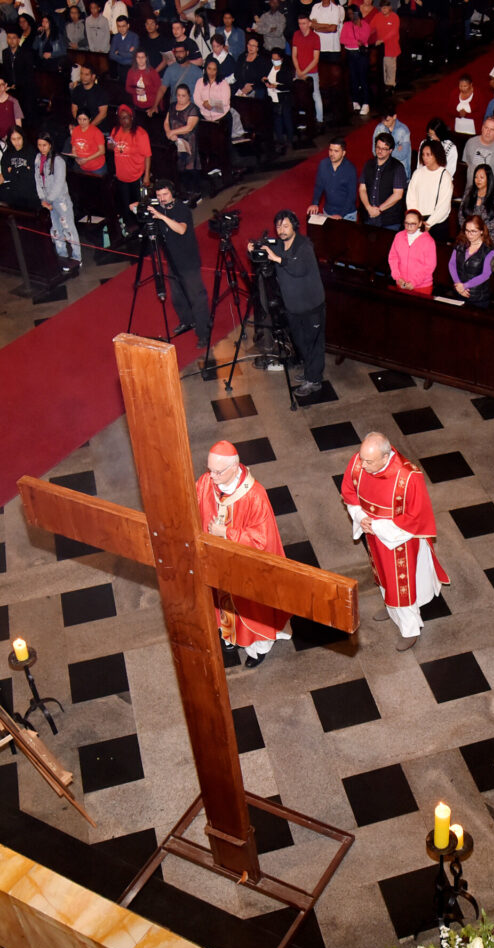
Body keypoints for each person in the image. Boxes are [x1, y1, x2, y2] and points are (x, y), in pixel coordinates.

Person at [341, 431, 449, 652]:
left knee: (401, 586)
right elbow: (349, 492)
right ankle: (391, 609)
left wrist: (377, 526)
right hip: (374, 537)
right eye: (361, 458)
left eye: (369, 461)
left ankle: (410, 631)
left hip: (399, 542)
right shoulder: (359, 461)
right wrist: (361, 517)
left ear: (385, 456)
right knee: (382, 576)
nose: (362, 465)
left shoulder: (408, 477)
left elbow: (415, 518)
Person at [196, 440, 290, 668]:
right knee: (220, 600)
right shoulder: (206, 483)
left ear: (234, 467)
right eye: (210, 470)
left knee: (251, 608)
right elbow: (193, 505)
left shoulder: (255, 495)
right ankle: (228, 635)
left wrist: (226, 532)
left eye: (218, 472)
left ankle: (258, 649)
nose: (212, 476)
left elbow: (262, 540)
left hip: (246, 568)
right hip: (218, 562)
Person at [249, 209, 326, 398]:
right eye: (278, 226)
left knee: (313, 343)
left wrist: (276, 258)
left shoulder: (304, 246)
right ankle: (310, 371)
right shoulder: (278, 245)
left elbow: (298, 268)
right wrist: (254, 250)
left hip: (311, 307)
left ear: (294, 227)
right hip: (293, 307)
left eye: (285, 226)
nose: (281, 230)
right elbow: (262, 258)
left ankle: (314, 380)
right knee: (300, 342)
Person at [140, 179, 211, 347]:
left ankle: (203, 333)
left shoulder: (181, 209)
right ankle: (187, 321)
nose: (162, 198)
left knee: (197, 297)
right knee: (177, 296)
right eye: (159, 195)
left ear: (172, 194)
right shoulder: (159, 207)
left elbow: (181, 229)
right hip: (172, 260)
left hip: (188, 260)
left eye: (165, 194)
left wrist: (162, 217)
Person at [34, 131, 82, 273]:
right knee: (55, 229)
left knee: (68, 228)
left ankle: (76, 257)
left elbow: (59, 183)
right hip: (47, 201)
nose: (42, 148)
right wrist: (42, 198)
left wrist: (48, 199)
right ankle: (62, 255)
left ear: (50, 145)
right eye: (39, 145)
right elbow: (37, 179)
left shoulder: (58, 161)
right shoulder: (38, 158)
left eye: (44, 145)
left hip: (60, 200)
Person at [109, 103, 151, 232]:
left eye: (126, 117)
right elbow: (110, 145)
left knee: (137, 206)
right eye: (121, 118)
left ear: (132, 118)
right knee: (125, 205)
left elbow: (147, 155)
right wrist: (111, 146)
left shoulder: (140, 133)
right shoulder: (115, 130)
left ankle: (142, 229)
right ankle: (130, 228)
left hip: (136, 174)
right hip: (122, 175)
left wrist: (147, 175)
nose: (124, 121)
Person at [406, 140, 453, 242]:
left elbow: (443, 206)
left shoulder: (445, 176)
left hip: (437, 224)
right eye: (423, 154)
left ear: (436, 155)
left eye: (428, 155)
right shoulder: (418, 173)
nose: (425, 158)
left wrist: (429, 223)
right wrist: (416, 220)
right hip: (417, 221)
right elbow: (411, 197)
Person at [359, 131, 406, 230]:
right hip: (368, 217)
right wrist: (368, 208)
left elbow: (398, 194)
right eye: (378, 147)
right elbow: (362, 189)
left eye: (384, 149)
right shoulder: (368, 164)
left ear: (391, 150)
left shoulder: (397, 167)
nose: (380, 151)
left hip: (389, 221)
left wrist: (379, 210)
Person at [449, 214, 494, 309]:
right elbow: (452, 264)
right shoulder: (460, 243)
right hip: (459, 292)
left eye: (473, 231)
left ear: (481, 231)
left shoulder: (488, 250)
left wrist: (465, 286)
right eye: (467, 230)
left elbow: (485, 274)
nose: (469, 234)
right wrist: (458, 284)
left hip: (478, 297)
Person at [164, 82, 201, 201]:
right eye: (178, 95)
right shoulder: (172, 106)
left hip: (188, 141)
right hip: (174, 140)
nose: (180, 98)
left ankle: (195, 192)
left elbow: (189, 127)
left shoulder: (193, 109)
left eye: (183, 95)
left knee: (190, 167)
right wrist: (168, 133)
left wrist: (173, 132)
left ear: (188, 96)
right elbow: (166, 122)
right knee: (178, 167)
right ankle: (182, 191)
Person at [307, 135, 357, 220]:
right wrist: (315, 203)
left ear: (343, 153)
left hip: (347, 215)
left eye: (336, 151)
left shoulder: (350, 169)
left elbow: (351, 196)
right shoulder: (323, 164)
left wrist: (341, 214)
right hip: (328, 212)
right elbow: (319, 186)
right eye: (330, 150)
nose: (332, 154)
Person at [388, 209, 436, 294]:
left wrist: (414, 282)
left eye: (413, 224)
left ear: (420, 223)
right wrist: (397, 277)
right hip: (401, 283)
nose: (409, 227)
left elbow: (429, 266)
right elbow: (393, 258)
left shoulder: (429, 241)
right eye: (406, 223)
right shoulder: (399, 236)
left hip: (422, 286)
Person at [458, 162, 494, 244]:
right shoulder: (469, 192)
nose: (478, 180)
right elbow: (461, 214)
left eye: (481, 177)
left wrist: (480, 231)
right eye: (476, 177)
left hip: (489, 237)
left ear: (488, 178)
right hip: (469, 235)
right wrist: (468, 230)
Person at [340, 4, 371, 115]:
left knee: (363, 78)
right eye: (349, 14)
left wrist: (358, 26)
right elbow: (342, 39)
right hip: (350, 54)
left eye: (352, 13)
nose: (351, 16)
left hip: (361, 55)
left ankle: (366, 103)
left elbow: (364, 39)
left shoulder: (365, 25)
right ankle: (355, 100)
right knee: (353, 78)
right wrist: (354, 42)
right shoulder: (347, 25)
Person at [292, 15, 322, 124]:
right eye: (300, 23)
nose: (302, 26)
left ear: (309, 23)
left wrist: (303, 72)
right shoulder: (296, 34)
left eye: (304, 23)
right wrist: (298, 70)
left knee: (316, 95)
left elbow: (316, 59)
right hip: (298, 70)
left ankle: (319, 120)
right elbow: (294, 55)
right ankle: (302, 120)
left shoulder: (315, 37)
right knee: (299, 95)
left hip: (311, 72)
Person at [0, 125, 39, 209]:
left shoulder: (30, 151)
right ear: (9, 140)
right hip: (14, 190)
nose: (17, 142)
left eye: (19, 138)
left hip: (29, 191)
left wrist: (13, 170)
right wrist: (23, 170)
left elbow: (32, 174)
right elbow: (6, 174)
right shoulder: (8, 153)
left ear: (23, 137)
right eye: (13, 139)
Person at [462, 117, 494, 188]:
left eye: (492, 130)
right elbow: (468, 163)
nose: (488, 132)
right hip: (471, 190)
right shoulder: (471, 143)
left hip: (491, 192)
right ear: (482, 128)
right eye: (486, 128)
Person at [156, 41, 203, 109]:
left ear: (187, 53)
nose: (178, 54)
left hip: (191, 108)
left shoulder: (197, 71)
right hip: (175, 107)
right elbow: (162, 89)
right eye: (176, 52)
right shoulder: (170, 69)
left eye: (181, 52)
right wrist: (155, 105)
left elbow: (203, 91)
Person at [263, 46, 293, 149]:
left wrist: (276, 86)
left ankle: (290, 139)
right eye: (273, 59)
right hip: (272, 97)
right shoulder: (269, 67)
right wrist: (265, 81)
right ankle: (280, 139)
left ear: (281, 59)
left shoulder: (286, 69)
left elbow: (289, 85)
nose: (274, 61)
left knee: (286, 118)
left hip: (283, 97)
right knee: (277, 119)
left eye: (277, 59)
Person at [372, 102, 411, 179]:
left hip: (401, 173)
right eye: (383, 120)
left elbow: (402, 154)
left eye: (387, 120)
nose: (385, 123)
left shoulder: (403, 130)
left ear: (394, 116)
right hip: (383, 172)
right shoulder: (379, 128)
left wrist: (384, 151)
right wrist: (395, 149)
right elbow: (374, 151)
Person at [69, 108, 107, 176]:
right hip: (82, 166)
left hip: (97, 167)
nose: (82, 122)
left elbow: (102, 151)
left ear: (89, 119)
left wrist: (86, 159)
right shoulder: (75, 131)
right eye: (79, 119)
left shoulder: (96, 132)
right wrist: (76, 158)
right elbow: (74, 147)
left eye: (84, 119)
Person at [126, 50, 162, 115]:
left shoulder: (152, 72)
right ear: (135, 59)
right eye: (138, 57)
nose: (140, 59)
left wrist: (145, 90)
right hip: (136, 106)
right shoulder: (131, 71)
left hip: (151, 106)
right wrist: (135, 91)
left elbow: (159, 89)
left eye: (142, 57)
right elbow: (127, 88)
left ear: (146, 58)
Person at [374, 0, 400, 91]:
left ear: (390, 7)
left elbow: (393, 31)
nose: (384, 9)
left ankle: (391, 85)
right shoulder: (377, 16)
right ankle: (385, 87)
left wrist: (382, 40)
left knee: (390, 67)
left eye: (386, 7)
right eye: (382, 7)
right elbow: (370, 28)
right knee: (383, 67)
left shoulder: (395, 17)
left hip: (391, 47)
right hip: (381, 48)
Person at [234, 34, 269, 98]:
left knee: (260, 92)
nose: (250, 47)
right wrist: (244, 85)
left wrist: (252, 87)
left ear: (258, 48)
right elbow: (236, 74)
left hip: (255, 87)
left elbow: (263, 79)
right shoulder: (242, 57)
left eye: (253, 46)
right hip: (241, 85)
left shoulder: (262, 60)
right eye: (249, 44)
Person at [0, 74, 22, 140]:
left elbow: (18, 125)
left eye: (1, 85)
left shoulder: (14, 101)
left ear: (6, 85)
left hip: (10, 139)